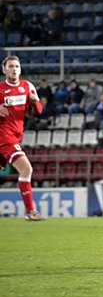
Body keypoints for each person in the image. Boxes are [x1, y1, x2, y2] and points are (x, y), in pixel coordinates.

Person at [0, 56, 45, 221]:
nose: (14, 69)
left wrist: (34, 103)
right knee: (26, 169)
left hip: (16, 135)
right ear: (4, 70)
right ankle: (30, 211)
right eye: (10, 66)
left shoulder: (27, 86)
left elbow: (39, 111)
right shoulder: (0, 89)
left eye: (17, 66)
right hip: (4, 137)